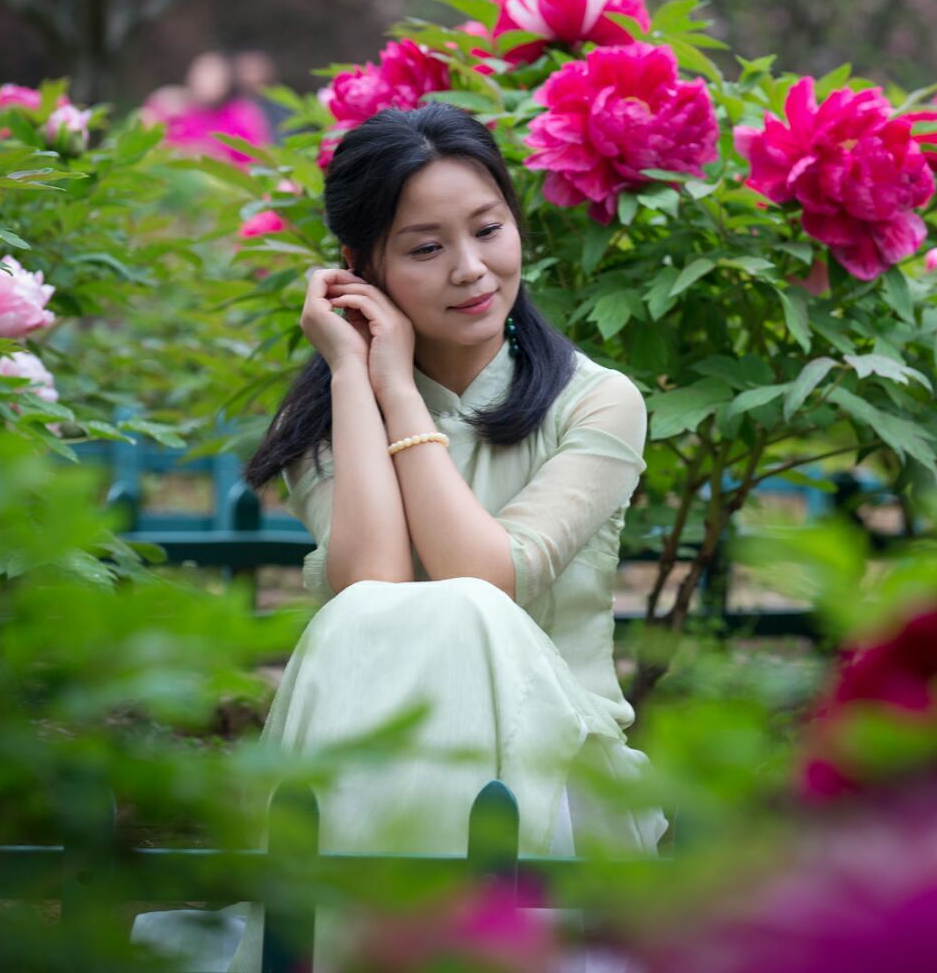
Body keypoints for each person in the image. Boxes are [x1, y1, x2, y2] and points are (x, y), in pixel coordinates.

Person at [131, 103, 666, 972]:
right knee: (391, 610)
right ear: (361, 268)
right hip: (369, 763)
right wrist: (355, 371)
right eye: (425, 249)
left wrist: (398, 393)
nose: (472, 270)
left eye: (489, 229)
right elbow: (368, 585)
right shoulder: (328, 419)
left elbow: (490, 577)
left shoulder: (597, 403)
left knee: (465, 608)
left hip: (561, 782)